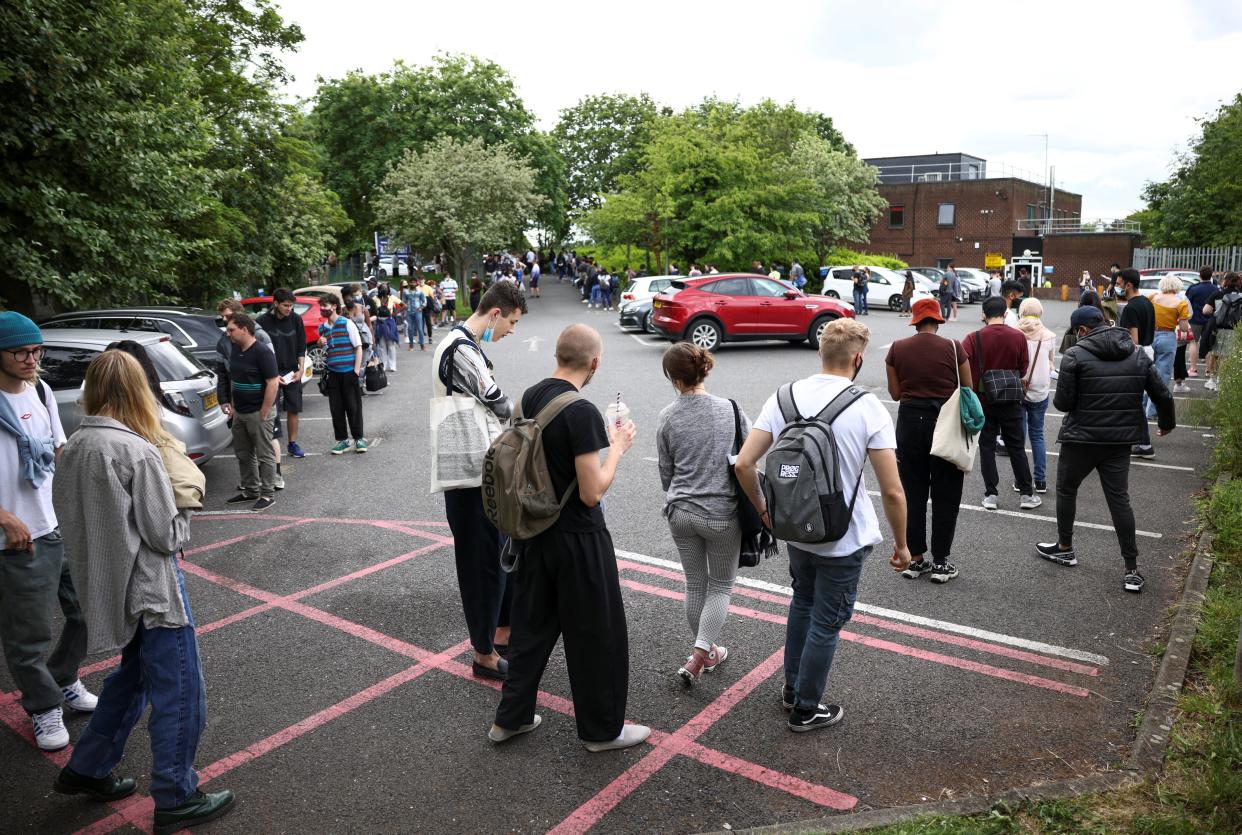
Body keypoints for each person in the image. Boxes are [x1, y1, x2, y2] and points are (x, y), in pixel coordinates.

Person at [51, 350, 235, 832]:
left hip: (107, 587)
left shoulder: (73, 446)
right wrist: (188, 501)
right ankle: (176, 795)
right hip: (153, 590)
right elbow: (165, 534)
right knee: (180, 691)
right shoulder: (137, 451)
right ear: (140, 391)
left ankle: (87, 767)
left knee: (132, 679)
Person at [735, 319, 911, 732]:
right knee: (827, 621)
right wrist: (903, 546)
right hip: (843, 536)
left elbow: (744, 463)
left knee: (802, 602)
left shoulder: (784, 397)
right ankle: (806, 708)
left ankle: (792, 688)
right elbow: (893, 491)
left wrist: (764, 509)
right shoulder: (867, 406)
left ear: (820, 353)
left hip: (796, 527)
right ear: (858, 358)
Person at [490, 324, 651, 751]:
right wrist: (616, 447)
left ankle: (511, 718)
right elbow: (591, 490)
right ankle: (602, 732)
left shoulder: (527, 397)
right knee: (597, 634)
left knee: (531, 631)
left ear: (557, 355)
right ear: (594, 363)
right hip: (578, 539)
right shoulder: (581, 412)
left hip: (531, 532)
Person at [0, 312, 94, 752]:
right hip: (17, 539)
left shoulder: (41, 391)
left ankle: (63, 680)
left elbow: (60, 451)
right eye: (21, 351)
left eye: (35, 350)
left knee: (86, 611)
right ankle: (43, 706)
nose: (31, 358)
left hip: (56, 523)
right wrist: (4, 517)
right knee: (28, 637)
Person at [1036, 306, 1175, 594]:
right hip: (1119, 441)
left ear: (1083, 330)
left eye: (1076, 332)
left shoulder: (1075, 355)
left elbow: (1062, 403)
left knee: (1066, 489)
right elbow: (1162, 393)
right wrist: (1166, 423)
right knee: (1119, 501)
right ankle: (1131, 569)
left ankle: (1065, 547)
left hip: (1081, 439)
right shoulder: (1137, 353)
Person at [432, 282, 527, 682]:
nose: (512, 330)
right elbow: (500, 403)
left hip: (479, 471)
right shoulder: (461, 349)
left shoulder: (463, 343)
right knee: (481, 564)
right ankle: (484, 654)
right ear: (494, 314)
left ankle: (500, 632)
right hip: (469, 475)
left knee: (499, 554)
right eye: (511, 321)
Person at [656, 343, 750, 684]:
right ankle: (700, 653)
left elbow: (666, 473)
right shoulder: (732, 410)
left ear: (673, 378)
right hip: (722, 514)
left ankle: (708, 653)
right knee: (721, 586)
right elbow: (748, 461)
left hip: (680, 511)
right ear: (704, 369)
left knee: (695, 583)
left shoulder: (667, 416)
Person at [885, 299, 972, 584]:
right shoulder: (953, 347)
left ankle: (916, 559)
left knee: (913, 492)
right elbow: (968, 388)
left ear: (915, 320)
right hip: (944, 422)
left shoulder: (897, 348)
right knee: (947, 492)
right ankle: (941, 562)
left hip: (910, 424)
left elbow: (896, 394)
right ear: (938, 320)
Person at [966, 296, 1038, 509]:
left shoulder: (973, 338)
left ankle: (991, 495)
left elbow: (964, 366)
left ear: (983, 315)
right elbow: (1023, 368)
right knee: (1016, 446)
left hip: (984, 400)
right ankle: (1026, 494)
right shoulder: (1018, 336)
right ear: (1006, 314)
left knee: (987, 447)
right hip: (1010, 399)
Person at [222, 313, 279, 511]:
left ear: (244, 329)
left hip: (258, 412)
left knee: (265, 455)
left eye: (231, 330)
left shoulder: (262, 352)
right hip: (241, 412)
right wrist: (233, 406)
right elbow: (234, 379)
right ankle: (251, 489)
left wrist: (264, 412)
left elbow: (273, 383)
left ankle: (267, 494)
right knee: (244, 454)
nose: (228, 333)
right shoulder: (236, 349)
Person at [256, 288, 308, 460]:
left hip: (292, 371)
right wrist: (268, 374)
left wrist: (300, 369)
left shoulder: (296, 319)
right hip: (271, 373)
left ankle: (293, 444)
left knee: (294, 408)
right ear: (276, 303)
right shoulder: (262, 322)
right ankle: (272, 445)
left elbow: (301, 346)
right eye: (286, 305)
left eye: (291, 306)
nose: (289, 309)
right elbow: (258, 350)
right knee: (272, 410)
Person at [1015, 298, 1057, 494]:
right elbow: (1051, 363)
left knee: (1019, 437)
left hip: (1018, 389)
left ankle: (1021, 480)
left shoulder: (1015, 334)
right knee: (1037, 435)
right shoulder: (1049, 335)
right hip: (1040, 390)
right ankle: (1040, 481)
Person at [1116, 269, 1158, 458]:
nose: (1117, 287)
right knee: (1135, 400)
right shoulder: (1147, 303)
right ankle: (1139, 441)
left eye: (1119, 283)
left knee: (1132, 400)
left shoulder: (1131, 307)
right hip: (1148, 350)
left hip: (1136, 354)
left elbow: (1133, 339)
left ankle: (1143, 443)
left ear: (1128, 285)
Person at [316, 295, 366, 454]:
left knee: (353, 407)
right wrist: (319, 343)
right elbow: (325, 351)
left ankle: (359, 439)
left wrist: (356, 371)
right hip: (333, 373)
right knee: (336, 408)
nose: (324, 308)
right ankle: (342, 440)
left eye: (326, 305)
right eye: (322, 306)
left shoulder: (347, 323)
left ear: (335, 306)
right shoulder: (322, 328)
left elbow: (358, 347)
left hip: (349, 372)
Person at [1149, 275, 1190, 397]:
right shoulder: (1181, 304)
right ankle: (1153, 411)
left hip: (1150, 334)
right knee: (1163, 374)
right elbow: (1183, 328)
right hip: (1168, 336)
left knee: (1148, 371)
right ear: (1177, 286)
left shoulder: (1152, 297)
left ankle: (1143, 405)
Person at [1202, 271, 1241, 391]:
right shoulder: (1240, 296)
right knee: (1227, 355)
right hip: (1234, 328)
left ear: (1225, 281)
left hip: (1217, 328)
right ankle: (1222, 381)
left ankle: (1212, 380)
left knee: (1215, 354)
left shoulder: (1217, 294)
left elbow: (1206, 311)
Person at [1185, 266, 1217, 381]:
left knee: (1193, 342)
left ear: (1200, 275)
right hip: (1210, 320)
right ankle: (1208, 371)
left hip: (1195, 319)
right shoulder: (1215, 289)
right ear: (1211, 275)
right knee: (1209, 344)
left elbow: (1186, 303)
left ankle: (1193, 369)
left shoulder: (1193, 288)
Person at [372, 289, 400, 373]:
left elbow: (402, 305)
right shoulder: (375, 298)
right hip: (379, 322)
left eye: (385, 288)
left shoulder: (392, 298)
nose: (383, 290)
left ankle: (392, 366)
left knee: (391, 345)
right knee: (381, 346)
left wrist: (395, 314)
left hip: (389, 322)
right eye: (382, 288)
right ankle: (383, 365)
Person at [403, 279, 428, 352]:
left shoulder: (420, 291)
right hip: (409, 312)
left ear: (416, 283)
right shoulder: (406, 292)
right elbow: (403, 301)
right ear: (409, 283)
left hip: (418, 311)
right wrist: (405, 306)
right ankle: (411, 345)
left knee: (420, 329)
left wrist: (421, 307)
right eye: (411, 282)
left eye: (414, 282)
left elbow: (424, 301)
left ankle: (422, 345)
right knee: (410, 328)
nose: (412, 284)